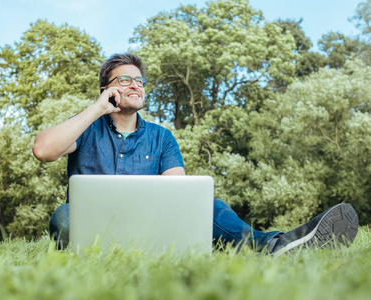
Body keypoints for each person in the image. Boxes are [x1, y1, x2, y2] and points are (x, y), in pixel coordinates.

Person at [32, 53, 359, 255]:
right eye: (125, 80)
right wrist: (97, 108)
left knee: (209, 207)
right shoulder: (85, 128)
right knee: (64, 215)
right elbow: (43, 150)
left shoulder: (161, 137)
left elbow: (180, 199)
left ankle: (280, 246)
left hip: (151, 227)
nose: (136, 85)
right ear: (107, 88)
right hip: (97, 229)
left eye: (140, 80)